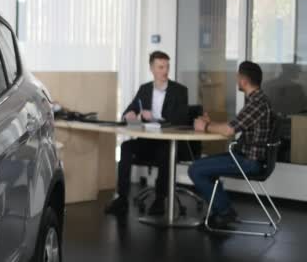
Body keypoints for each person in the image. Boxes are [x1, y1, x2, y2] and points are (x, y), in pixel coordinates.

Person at [105, 51, 189, 216]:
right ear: (152, 68)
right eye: (161, 67)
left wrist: (157, 118)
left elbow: (181, 119)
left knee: (164, 153)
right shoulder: (145, 89)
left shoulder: (179, 91)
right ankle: (122, 198)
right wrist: (128, 115)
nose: (165, 71)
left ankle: (160, 200)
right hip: (148, 141)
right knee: (126, 147)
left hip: (168, 142)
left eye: (167, 67)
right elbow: (131, 109)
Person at [190, 61, 272, 228]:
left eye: (237, 77)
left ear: (243, 81)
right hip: (245, 156)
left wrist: (205, 126)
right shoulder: (258, 99)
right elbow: (235, 124)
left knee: (195, 169)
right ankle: (219, 212)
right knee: (205, 168)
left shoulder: (256, 103)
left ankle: (225, 211)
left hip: (249, 162)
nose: (236, 80)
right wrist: (212, 123)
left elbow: (228, 131)